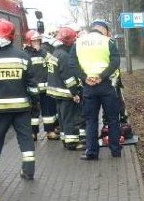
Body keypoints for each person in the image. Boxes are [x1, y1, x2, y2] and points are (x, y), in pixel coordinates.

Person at [0, 19, 39, 180]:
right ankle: (28, 171)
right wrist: (35, 103)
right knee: (26, 140)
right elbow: (32, 85)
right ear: (12, 36)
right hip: (21, 109)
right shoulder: (22, 57)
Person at [70, 19, 122, 160]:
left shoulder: (78, 43)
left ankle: (92, 152)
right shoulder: (107, 42)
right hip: (106, 86)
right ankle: (115, 150)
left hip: (88, 87)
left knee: (91, 121)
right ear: (101, 29)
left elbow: (72, 64)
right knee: (112, 119)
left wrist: (84, 77)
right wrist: (102, 76)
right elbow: (116, 61)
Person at [45, 27, 82, 151]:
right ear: (69, 41)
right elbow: (68, 77)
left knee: (62, 117)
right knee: (70, 117)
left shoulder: (55, 53)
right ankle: (72, 143)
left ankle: (65, 139)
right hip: (65, 92)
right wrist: (74, 93)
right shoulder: (65, 56)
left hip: (55, 92)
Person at [24, 29, 57, 140]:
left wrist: (42, 52)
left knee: (48, 111)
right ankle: (33, 133)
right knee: (33, 113)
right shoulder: (25, 54)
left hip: (45, 88)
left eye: (38, 41)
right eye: (34, 41)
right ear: (29, 42)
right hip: (32, 89)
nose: (37, 43)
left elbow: (53, 61)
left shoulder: (44, 52)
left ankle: (50, 131)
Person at [39, 34, 60, 139]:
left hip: (42, 85)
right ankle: (50, 130)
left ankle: (52, 129)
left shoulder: (44, 51)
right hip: (43, 86)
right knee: (48, 110)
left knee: (49, 110)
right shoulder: (46, 50)